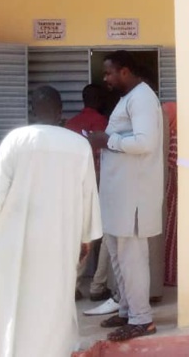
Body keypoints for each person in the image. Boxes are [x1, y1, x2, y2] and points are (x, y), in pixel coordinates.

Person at [0, 86, 101, 356]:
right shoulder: (78, 144)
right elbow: (88, 193)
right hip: (61, 238)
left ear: (32, 110)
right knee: (56, 300)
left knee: (17, 302)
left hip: (16, 238)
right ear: (60, 112)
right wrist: (85, 237)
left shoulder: (16, 140)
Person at [87, 50, 163, 342]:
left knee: (132, 258)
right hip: (119, 194)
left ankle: (142, 319)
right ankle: (128, 309)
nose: (105, 78)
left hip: (134, 195)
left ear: (126, 72)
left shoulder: (142, 97)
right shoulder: (128, 99)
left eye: (109, 72)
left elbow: (145, 141)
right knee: (119, 257)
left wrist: (107, 140)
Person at [64, 84, 112, 302]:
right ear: (101, 101)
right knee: (103, 232)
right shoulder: (103, 123)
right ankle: (99, 283)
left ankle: (71, 283)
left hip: (72, 182)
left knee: (76, 232)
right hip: (99, 181)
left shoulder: (70, 125)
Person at [162, 102, 179, 287]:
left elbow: (172, 167)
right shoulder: (172, 134)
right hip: (172, 191)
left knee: (172, 234)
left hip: (174, 192)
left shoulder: (174, 136)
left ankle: (170, 275)